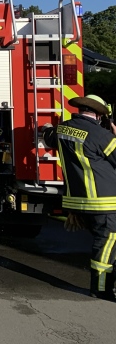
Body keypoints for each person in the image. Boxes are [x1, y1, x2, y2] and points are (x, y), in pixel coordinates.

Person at [43, 94, 116, 300]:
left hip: (77, 201)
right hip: (103, 202)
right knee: (107, 243)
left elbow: (48, 136)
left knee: (104, 242)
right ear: (99, 115)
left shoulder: (62, 129)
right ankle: (101, 289)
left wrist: (46, 127)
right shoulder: (101, 135)